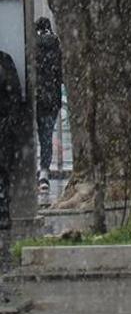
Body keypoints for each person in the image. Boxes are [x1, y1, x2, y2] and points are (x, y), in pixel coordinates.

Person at [35, 17, 63, 193]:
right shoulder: (56, 45)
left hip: (37, 98)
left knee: (38, 135)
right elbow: (59, 75)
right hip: (52, 98)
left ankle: (37, 172)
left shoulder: (34, 45)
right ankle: (44, 173)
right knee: (47, 134)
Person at [0, 50, 22, 229]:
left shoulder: (5, 61)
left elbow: (15, 94)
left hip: (3, 126)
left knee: (3, 169)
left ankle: (3, 210)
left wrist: (10, 122)